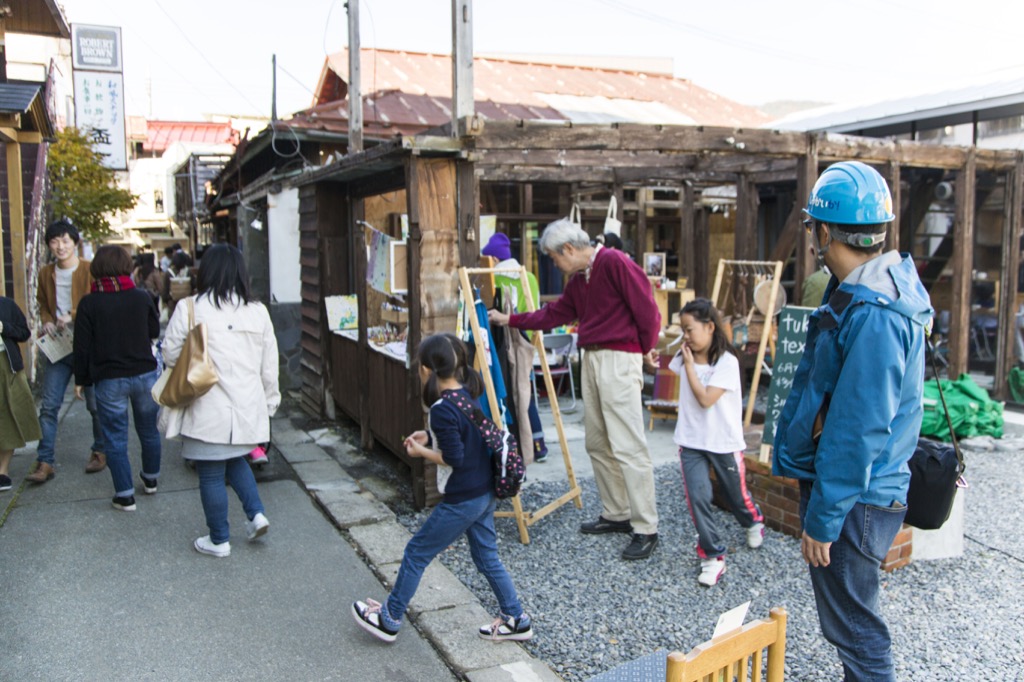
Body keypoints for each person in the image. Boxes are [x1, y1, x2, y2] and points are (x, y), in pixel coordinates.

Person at [773, 161, 932, 681]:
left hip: (856, 501)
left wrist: (823, 518)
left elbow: (856, 430)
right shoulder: (884, 289)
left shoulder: (876, 313)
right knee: (853, 625)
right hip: (861, 495)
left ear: (822, 232)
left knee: (856, 632)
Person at [488, 218, 662, 561]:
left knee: (628, 444)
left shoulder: (612, 261)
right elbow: (557, 313)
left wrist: (645, 350)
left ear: (569, 249)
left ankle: (646, 526)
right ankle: (617, 513)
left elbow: (648, 310)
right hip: (595, 358)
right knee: (597, 442)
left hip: (618, 357)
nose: (556, 264)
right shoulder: (580, 278)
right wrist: (512, 320)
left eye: (555, 258)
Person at [352, 333, 532, 643]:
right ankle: (516, 618)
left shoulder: (440, 408)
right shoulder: (466, 394)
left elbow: (453, 457)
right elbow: (464, 434)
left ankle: (389, 618)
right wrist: (427, 434)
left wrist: (421, 451)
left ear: (426, 369)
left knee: (416, 553)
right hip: (485, 493)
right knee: (487, 558)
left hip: (463, 499)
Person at [160, 244, 279, 557]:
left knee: (211, 471)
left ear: (207, 271)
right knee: (237, 458)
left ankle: (219, 539)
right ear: (241, 273)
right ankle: (256, 515)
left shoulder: (189, 308)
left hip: (205, 405)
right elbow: (270, 364)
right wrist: (270, 403)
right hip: (247, 406)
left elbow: (170, 353)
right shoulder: (258, 311)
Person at [670, 298, 765, 587]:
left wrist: (688, 366)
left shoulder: (727, 362)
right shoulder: (682, 356)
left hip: (723, 441)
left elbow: (706, 399)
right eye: (682, 330)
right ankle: (712, 556)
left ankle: (753, 521)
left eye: (689, 329)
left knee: (736, 495)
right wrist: (652, 362)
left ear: (710, 327)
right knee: (698, 499)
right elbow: (663, 367)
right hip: (691, 441)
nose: (684, 336)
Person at [73, 246, 162, 511]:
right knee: (149, 430)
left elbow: (82, 346)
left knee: (114, 437)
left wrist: (82, 379)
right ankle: (150, 479)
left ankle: (124, 495)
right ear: (126, 266)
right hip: (145, 374)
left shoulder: (89, 303)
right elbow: (154, 330)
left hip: (109, 379)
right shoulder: (141, 296)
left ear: (97, 269)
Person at [29, 219, 108, 483]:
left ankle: (100, 451)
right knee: (49, 405)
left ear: (75, 242)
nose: (60, 246)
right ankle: (45, 461)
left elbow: (99, 302)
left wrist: (72, 314)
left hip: (88, 346)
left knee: (95, 405)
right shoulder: (45, 273)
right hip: (59, 348)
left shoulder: (90, 269)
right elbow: (42, 303)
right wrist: (47, 319)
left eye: (65, 240)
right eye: (54, 241)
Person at [482, 232, 549, 462]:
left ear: (493, 258)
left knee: (513, 394)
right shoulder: (528, 276)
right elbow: (536, 307)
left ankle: (518, 446)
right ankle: (539, 446)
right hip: (528, 339)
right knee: (526, 392)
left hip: (506, 340)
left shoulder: (493, 277)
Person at [0, 296, 42, 491]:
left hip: (7, 368)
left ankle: (3, 471)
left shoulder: (6, 305)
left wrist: (4, 328)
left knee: (9, 414)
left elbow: (24, 333)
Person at [162, 250, 195, 319]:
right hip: (187, 305)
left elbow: (164, 293)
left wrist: (168, 299)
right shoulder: (189, 272)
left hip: (173, 306)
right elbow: (194, 286)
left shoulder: (168, 273)